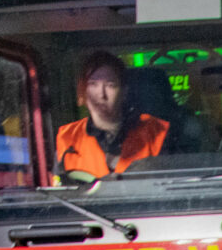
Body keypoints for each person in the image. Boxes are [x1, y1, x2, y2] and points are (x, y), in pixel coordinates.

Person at [54, 50, 168, 181]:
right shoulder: (67, 138)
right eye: (93, 84)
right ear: (83, 91)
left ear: (124, 92)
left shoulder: (156, 132)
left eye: (110, 85)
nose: (101, 94)